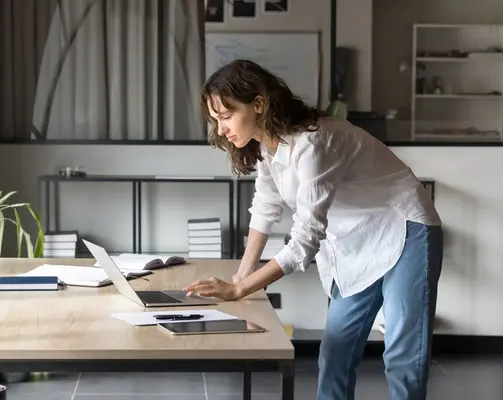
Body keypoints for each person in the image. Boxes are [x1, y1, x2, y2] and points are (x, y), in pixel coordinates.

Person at [183, 59, 443, 400]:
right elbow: (265, 208)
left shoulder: (313, 143)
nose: (220, 130)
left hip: (406, 230)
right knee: (335, 354)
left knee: (402, 358)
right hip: (356, 243)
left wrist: (241, 289)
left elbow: (304, 241)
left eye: (226, 116)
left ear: (258, 104)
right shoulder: (268, 147)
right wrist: (241, 277)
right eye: (215, 119)